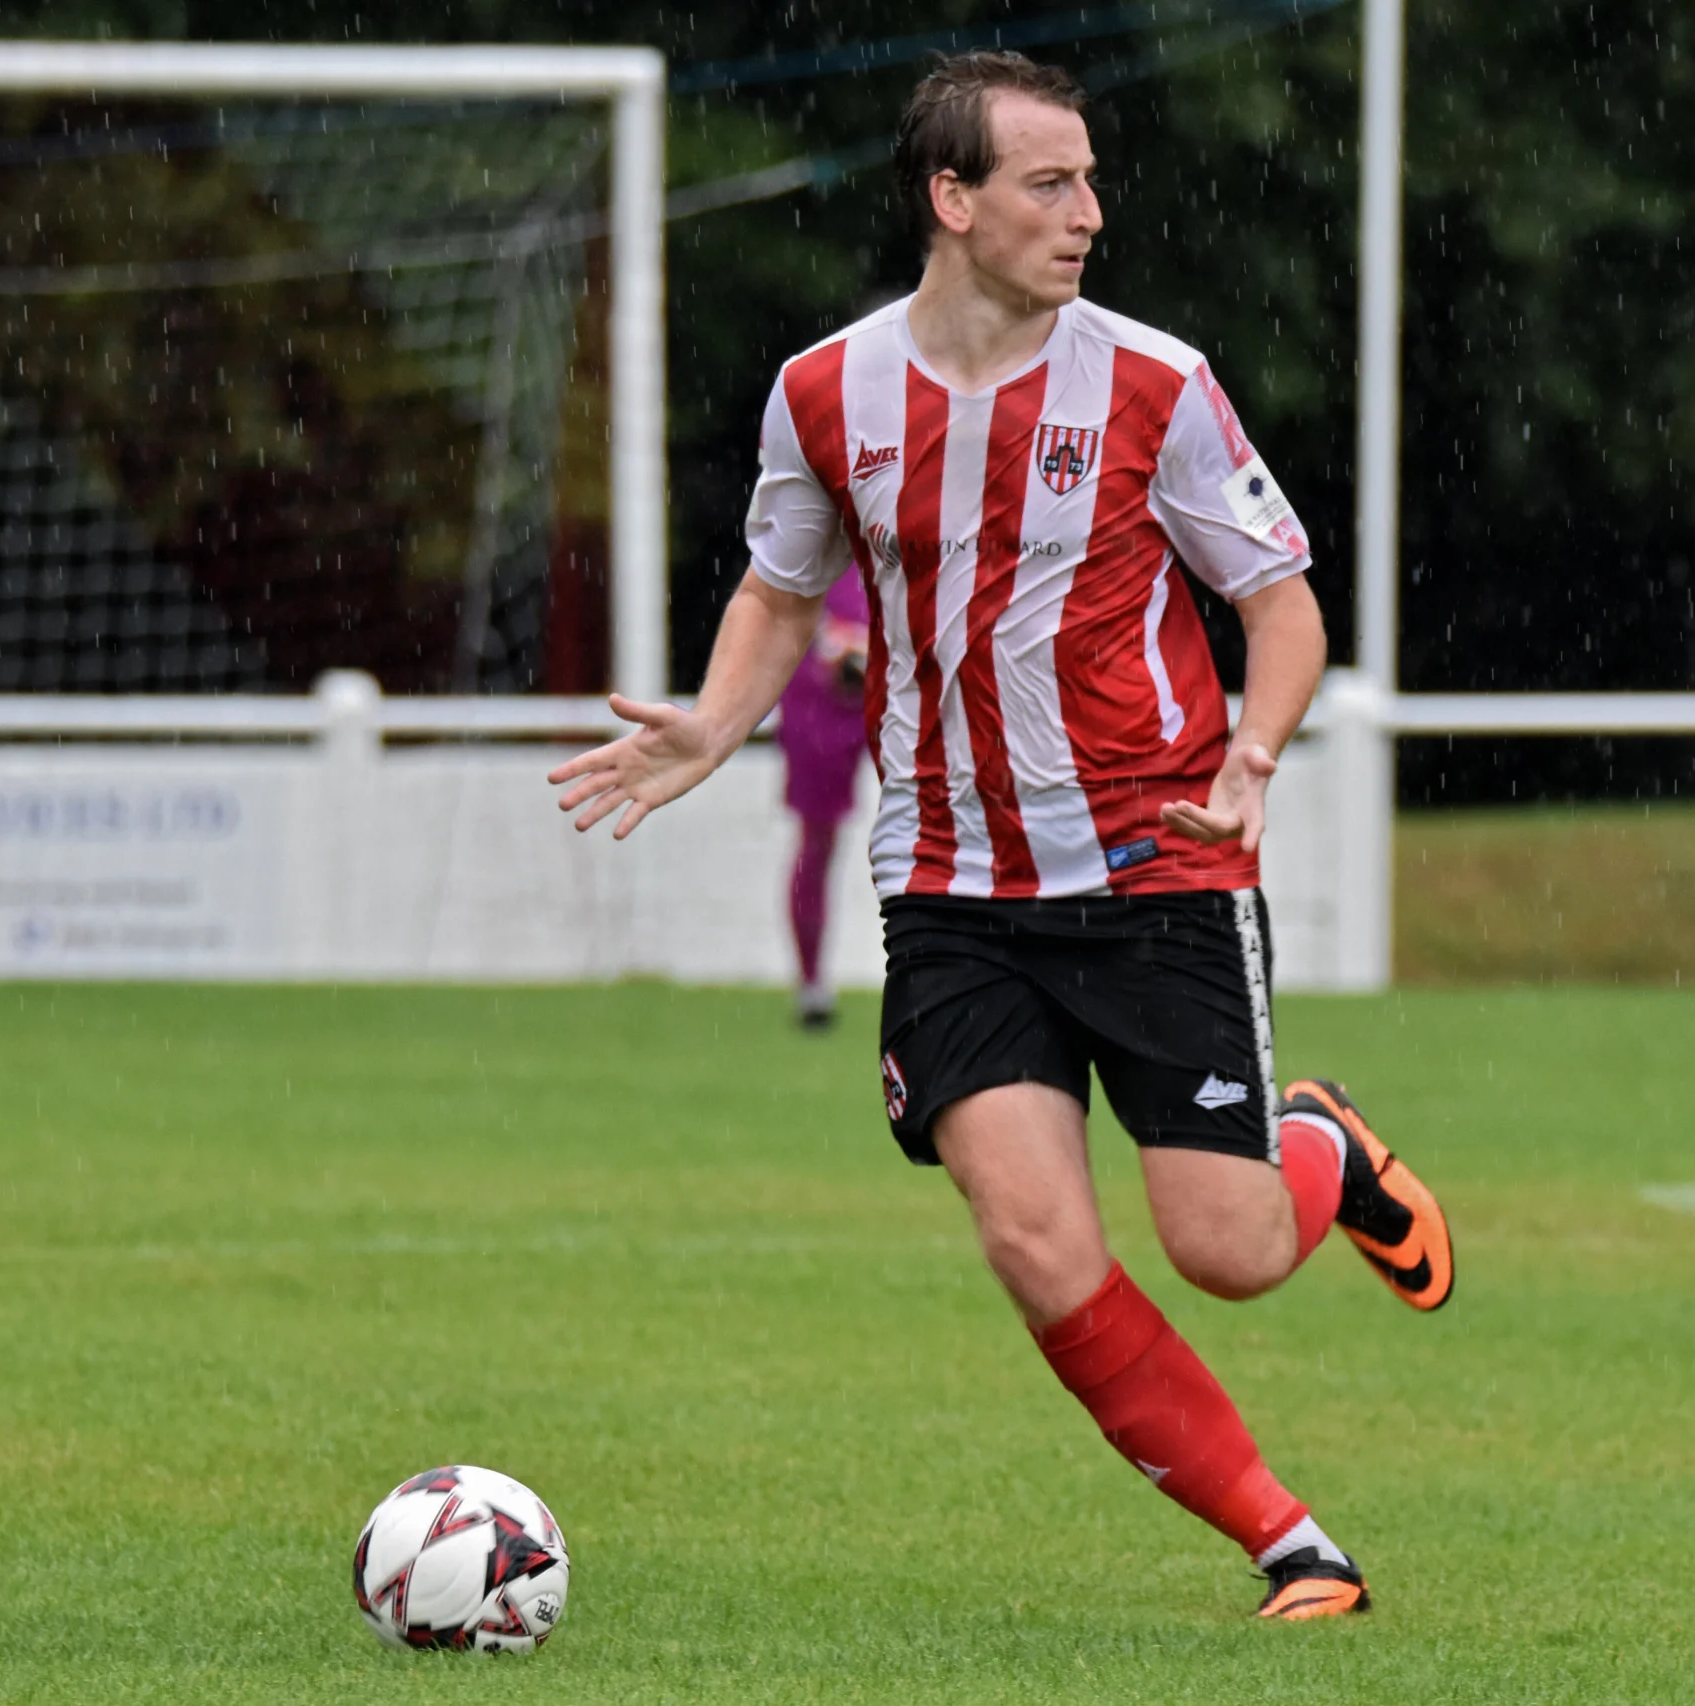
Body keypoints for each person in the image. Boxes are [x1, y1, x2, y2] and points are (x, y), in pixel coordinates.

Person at [550, 49, 1453, 1620]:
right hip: (953, 891)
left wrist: (1251, 754)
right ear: (950, 199)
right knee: (1035, 1243)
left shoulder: (1156, 384)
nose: (1088, 211)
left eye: (1092, 181)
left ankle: (1321, 1142)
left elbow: (1280, 603)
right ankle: (1293, 1542)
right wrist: (712, 716)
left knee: (1229, 1252)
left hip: (1163, 866)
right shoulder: (825, 391)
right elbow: (779, 585)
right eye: (1051, 182)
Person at [776, 562, 873, 1028]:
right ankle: (812, 982)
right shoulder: (815, 531)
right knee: (819, 841)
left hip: (902, 687)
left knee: (951, 819)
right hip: (820, 701)